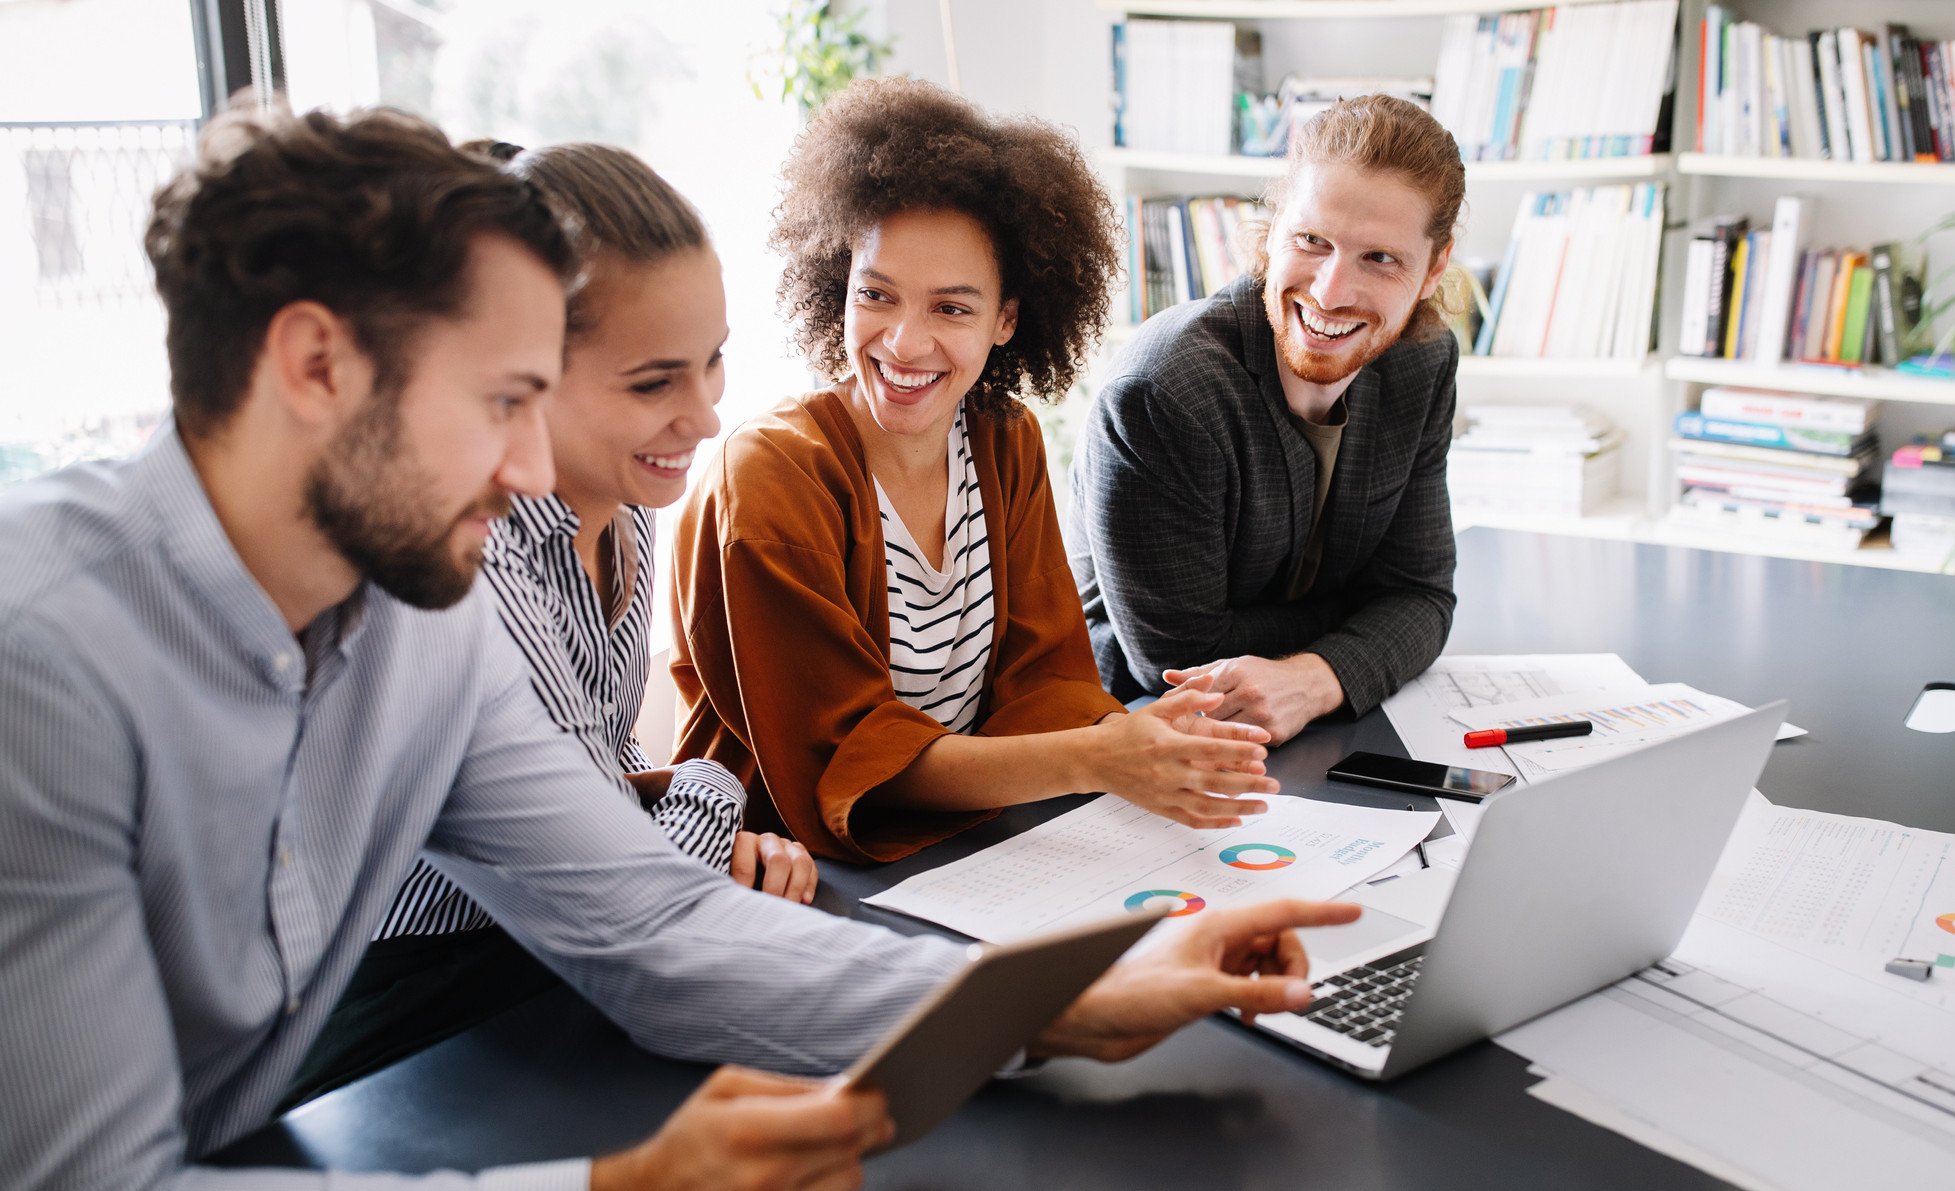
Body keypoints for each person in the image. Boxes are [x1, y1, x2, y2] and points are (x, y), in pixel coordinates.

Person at [0, 106, 1359, 1191]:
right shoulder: (45, 666)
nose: (539, 465)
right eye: (501, 401)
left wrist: (1070, 1000)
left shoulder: (413, 625)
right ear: (314, 367)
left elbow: (645, 920)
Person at [279, 141, 817, 1111]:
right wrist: (704, 785)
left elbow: (585, 789)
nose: (702, 416)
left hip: (519, 964)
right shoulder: (467, 564)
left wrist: (650, 811)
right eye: (654, 383)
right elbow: (627, 905)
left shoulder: (631, 502)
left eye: (713, 360)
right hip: (369, 1021)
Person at [667, 78, 1280, 865]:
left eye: (951, 308)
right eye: (876, 295)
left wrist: (1135, 732)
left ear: (1007, 318)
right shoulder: (774, 476)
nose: (903, 342)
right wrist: (1101, 756)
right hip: (787, 865)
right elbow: (849, 762)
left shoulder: (1002, 440)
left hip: (968, 845)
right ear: (838, 289)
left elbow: (1043, 677)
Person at [1068, 95, 1463, 745]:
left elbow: (1421, 596)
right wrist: (1369, 622)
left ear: (1433, 268)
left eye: (1379, 258)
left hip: (1311, 727)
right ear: (1274, 227)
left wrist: (1317, 678)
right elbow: (1176, 659)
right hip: (1135, 736)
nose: (1331, 292)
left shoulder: (1422, 364)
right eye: (1312, 241)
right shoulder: (1164, 391)